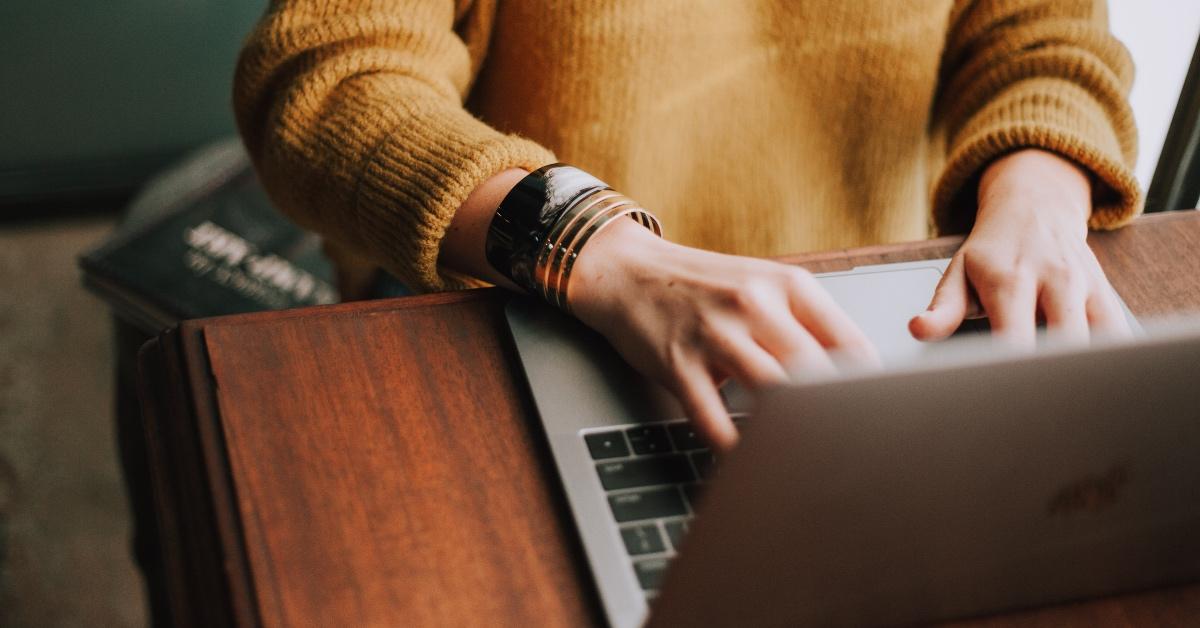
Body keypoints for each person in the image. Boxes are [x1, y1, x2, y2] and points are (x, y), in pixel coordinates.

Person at [234, 0, 1139, 450]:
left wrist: (1040, 190)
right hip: (524, 314)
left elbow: (1045, 33)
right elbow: (327, 77)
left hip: (865, 339)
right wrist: (596, 247)